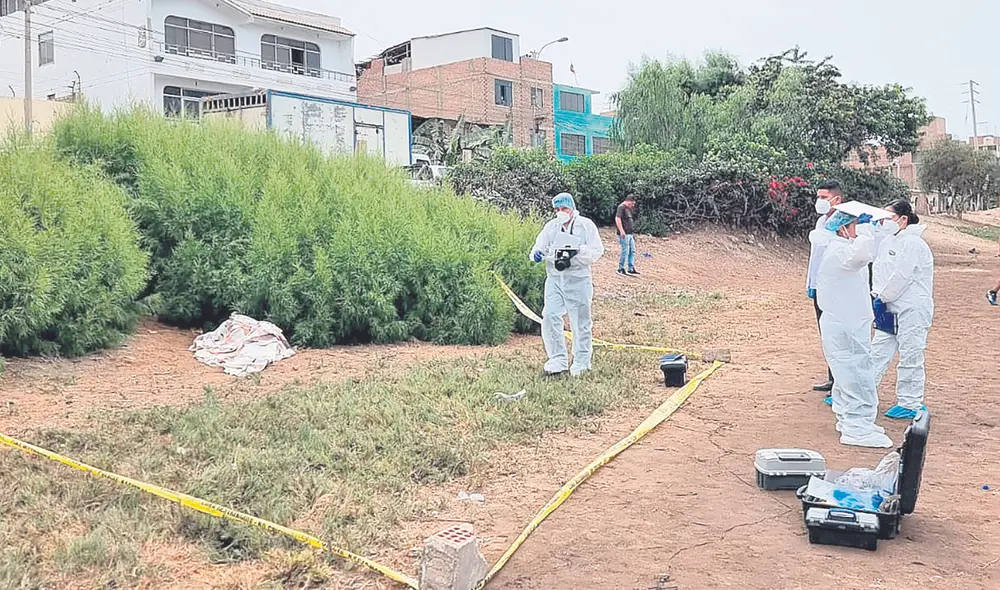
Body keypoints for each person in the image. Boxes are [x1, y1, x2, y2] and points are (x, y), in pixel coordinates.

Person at [811, 208, 893, 448]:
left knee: (850, 375)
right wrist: (866, 231)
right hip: (844, 324)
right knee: (856, 376)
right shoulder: (839, 251)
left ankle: (851, 420)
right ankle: (857, 428)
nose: (860, 229)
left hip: (848, 322)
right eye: (855, 225)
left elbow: (868, 252)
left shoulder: (840, 247)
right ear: (843, 228)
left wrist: (869, 229)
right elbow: (862, 254)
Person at [871, 199, 934, 420]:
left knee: (910, 354)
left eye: (887, 217)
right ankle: (861, 392)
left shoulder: (914, 244)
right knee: (877, 351)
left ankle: (910, 403)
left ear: (903, 219)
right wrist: (878, 296)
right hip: (889, 306)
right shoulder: (888, 241)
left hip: (911, 308)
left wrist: (883, 297)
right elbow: (880, 271)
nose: (883, 222)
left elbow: (902, 276)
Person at [530, 193, 605, 376]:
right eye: (557, 209)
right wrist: (537, 253)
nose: (560, 212)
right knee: (550, 315)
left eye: (564, 208)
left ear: (572, 208)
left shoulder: (585, 225)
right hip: (555, 279)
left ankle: (581, 361)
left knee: (580, 322)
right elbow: (539, 246)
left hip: (578, 280)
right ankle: (557, 358)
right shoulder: (552, 227)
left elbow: (596, 251)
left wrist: (577, 251)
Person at [806, 180, 845, 392]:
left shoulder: (845, 223)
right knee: (827, 334)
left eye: (824, 197)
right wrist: (811, 283)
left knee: (838, 334)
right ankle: (833, 377)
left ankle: (841, 381)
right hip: (819, 285)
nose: (819, 201)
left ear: (837, 199)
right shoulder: (822, 221)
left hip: (836, 287)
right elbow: (816, 257)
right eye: (818, 197)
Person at [615, 195, 639, 276]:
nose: (633, 205)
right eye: (632, 203)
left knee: (632, 250)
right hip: (624, 234)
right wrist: (621, 231)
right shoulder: (621, 207)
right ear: (628, 201)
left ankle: (630, 268)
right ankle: (621, 268)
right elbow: (617, 219)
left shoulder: (628, 208)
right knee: (625, 251)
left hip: (630, 233)